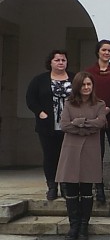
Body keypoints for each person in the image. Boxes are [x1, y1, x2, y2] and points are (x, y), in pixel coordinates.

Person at [56, 72, 106, 240]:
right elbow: (64, 125)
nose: (86, 88)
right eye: (83, 85)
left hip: (90, 149)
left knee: (86, 189)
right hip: (70, 149)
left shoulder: (99, 104)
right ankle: (73, 226)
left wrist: (78, 122)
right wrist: (84, 125)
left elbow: (100, 123)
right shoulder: (69, 103)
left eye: (89, 84)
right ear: (78, 86)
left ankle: (84, 226)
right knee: (70, 189)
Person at [26, 50, 75, 201]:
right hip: (47, 126)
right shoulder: (39, 80)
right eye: (57, 60)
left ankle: (66, 186)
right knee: (50, 156)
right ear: (51, 62)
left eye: (63, 60)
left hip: (69, 126)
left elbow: (83, 95)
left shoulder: (74, 78)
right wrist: (40, 112)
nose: (61, 63)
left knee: (66, 158)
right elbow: (30, 98)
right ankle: (52, 186)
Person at [85, 40, 110, 202]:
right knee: (96, 155)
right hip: (94, 119)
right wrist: (98, 111)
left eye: (109, 50)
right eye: (104, 50)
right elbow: (85, 92)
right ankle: (99, 189)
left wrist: (108, 108)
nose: (106, 53)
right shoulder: (89, 72)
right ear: (98, 52)